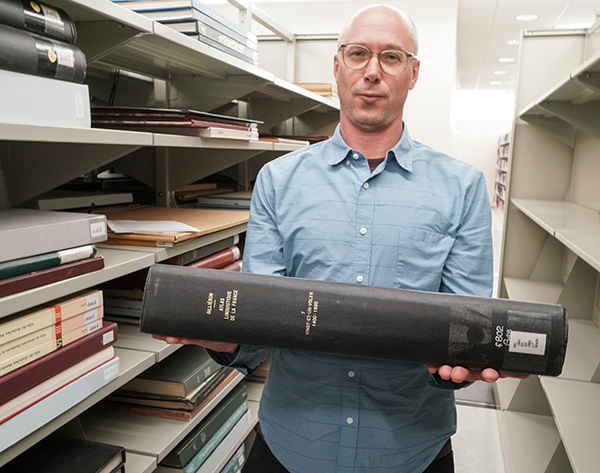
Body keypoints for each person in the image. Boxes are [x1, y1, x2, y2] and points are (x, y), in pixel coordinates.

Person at [154, 4, 526, 472]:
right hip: (291, 445)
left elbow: (465, 326)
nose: (372, 71)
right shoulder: (278, 181)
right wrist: (221, 337)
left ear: (413, 73)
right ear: (337, 66)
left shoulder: (463, 187)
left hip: (410, 449)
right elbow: (259, 325)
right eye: (357, 54)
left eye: (391, 57)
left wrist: (466, 365)